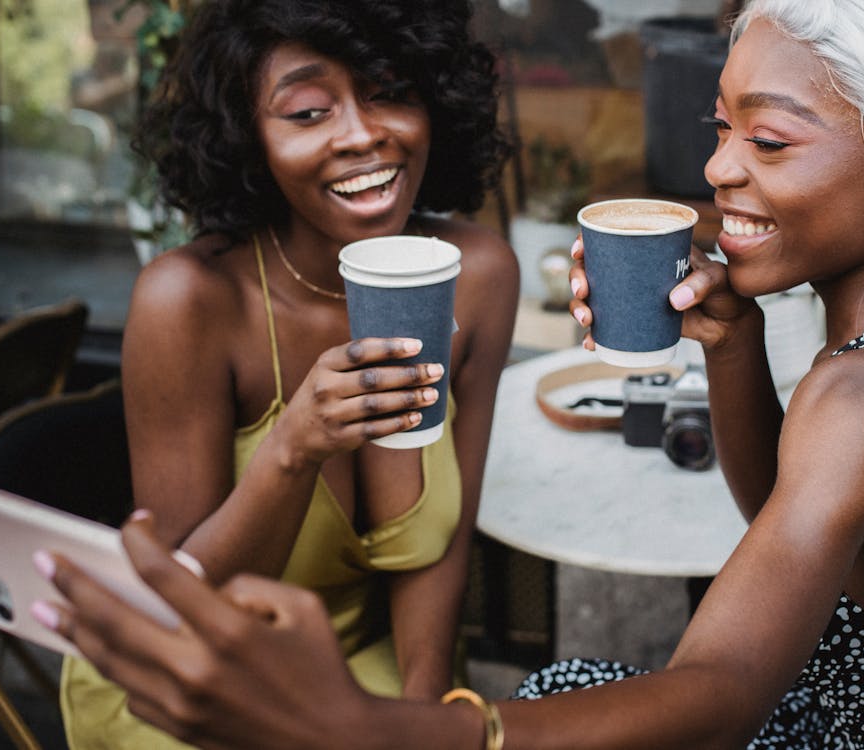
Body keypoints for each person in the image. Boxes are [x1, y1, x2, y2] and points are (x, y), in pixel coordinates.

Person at [33, 0, 864, 747]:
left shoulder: (863, 394)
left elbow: (721, 697)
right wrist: (733, 350)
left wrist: (396, 730)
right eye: (720, 123)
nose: (717, 167)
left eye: (770, 142)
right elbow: (801, 522)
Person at [55, 1, 518, 748]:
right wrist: (294, 446)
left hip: (366, 670)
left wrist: (421, 718)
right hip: (192, 683)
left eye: (391, 91)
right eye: (307, 111)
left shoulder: (477, 274)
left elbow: (445, 548)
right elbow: (177, 605)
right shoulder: (192, 301)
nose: (363, 133)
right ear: (249, 139)